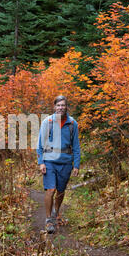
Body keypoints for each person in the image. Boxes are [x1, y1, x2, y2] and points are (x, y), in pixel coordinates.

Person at [36, 95, 81, 234]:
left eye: (63, 105)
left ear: (67, 107)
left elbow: (76, 146)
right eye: (58, 105)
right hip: (49, 161)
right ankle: (49, 220)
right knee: (51, 189)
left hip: (66, 162)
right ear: (54, 107)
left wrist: (76, 165)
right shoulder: (47, 122)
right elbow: (39, 144)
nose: (61, 107)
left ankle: (56, 212)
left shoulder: (72, 124)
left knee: (61, 191)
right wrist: (41, 162)